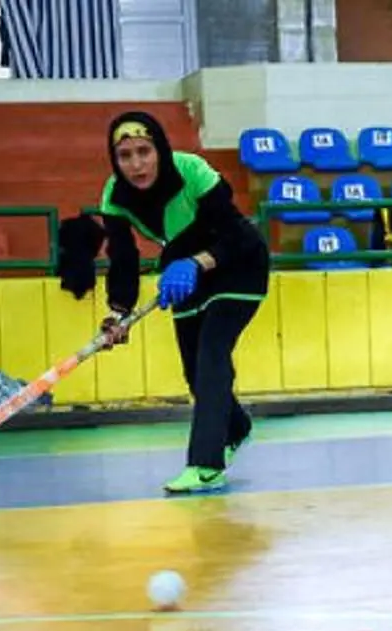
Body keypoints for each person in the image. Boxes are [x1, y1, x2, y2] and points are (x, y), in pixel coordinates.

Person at [97, 110, 269, 494]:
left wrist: (196, 262)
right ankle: (236, 427)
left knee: (211, 356)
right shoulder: (114, 196)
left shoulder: (192, 171)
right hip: (185, 274)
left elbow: (238, 235)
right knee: (194, 372)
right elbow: (123, 262)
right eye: (125, 156)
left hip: (237, 265)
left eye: (144, 151)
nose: (137, 164)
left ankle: (206, 465)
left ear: (159, 148)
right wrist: (117, 314)